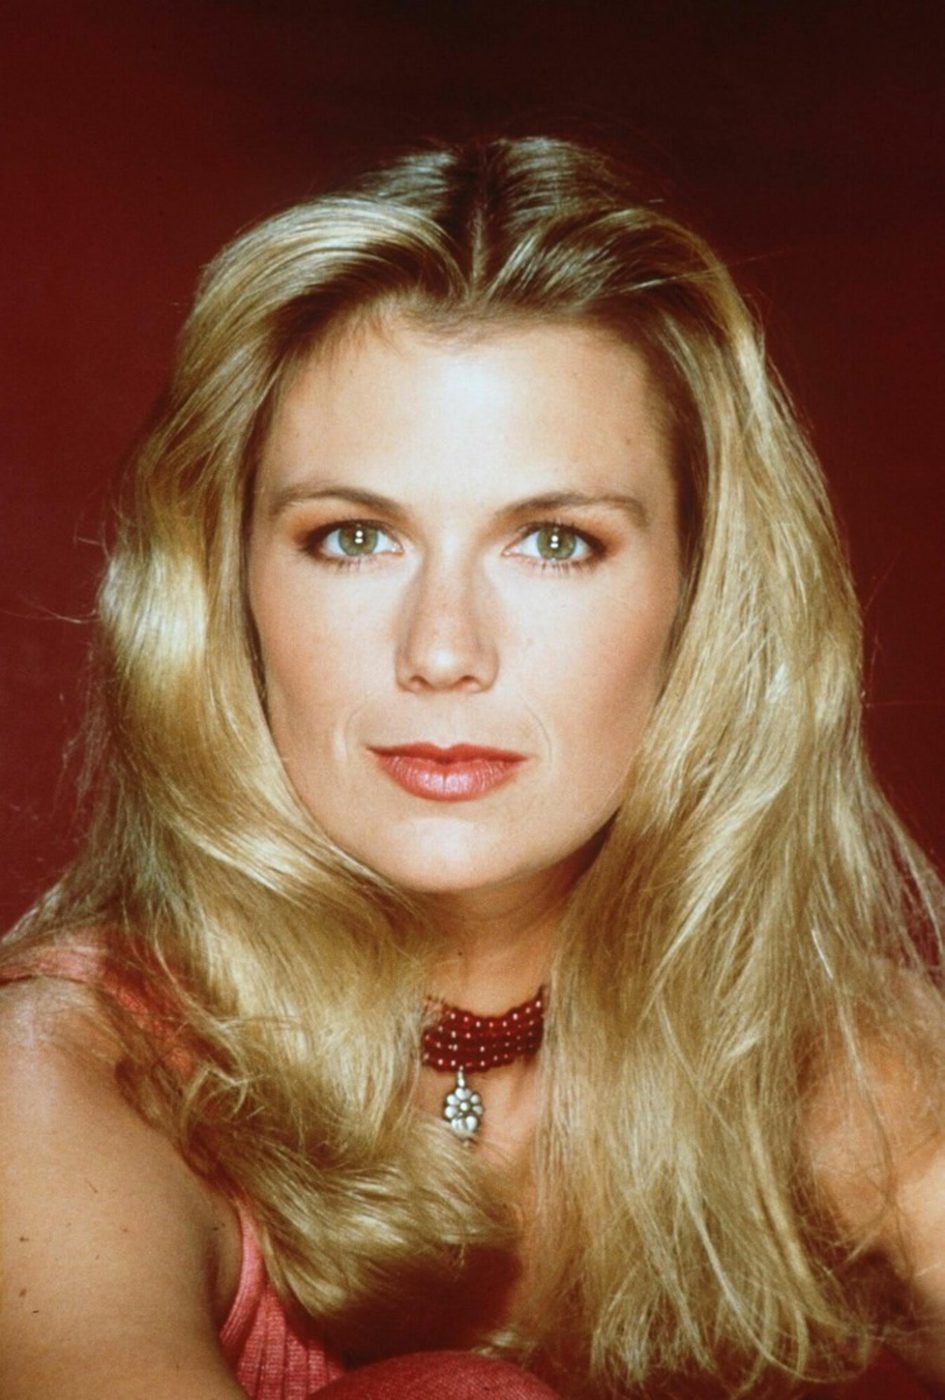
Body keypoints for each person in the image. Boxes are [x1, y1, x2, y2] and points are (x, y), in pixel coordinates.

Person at [1, 135, 943, 1400]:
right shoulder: (61, 1082)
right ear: (232, 586)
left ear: (700, 599)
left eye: (554, 541)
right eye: (352, 536)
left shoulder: (821, 1056)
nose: (443, 650)